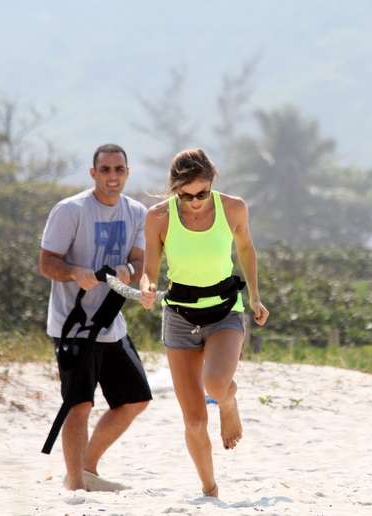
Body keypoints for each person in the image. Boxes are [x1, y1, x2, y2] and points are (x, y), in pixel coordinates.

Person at [139, 148, 269, 498]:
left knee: (215, 385)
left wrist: (255, 296)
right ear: (174, 190)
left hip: (225, 311)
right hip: (179, 316)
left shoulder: (233, 208)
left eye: (201, 193)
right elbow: (150, 269)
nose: (195, 201)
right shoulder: (157, 218)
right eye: (185, 195)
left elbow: (246, 250)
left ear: (212, 183)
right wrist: (147, 287)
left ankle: (228, 402)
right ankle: (210, 489)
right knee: (195, 420)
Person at [39, 143, 151, 491]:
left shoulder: (136, 212)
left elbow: (141, 261)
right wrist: (74, 272)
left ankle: (86, 466)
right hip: (73, 326)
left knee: (135, 400)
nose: (113, 177)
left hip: (111, 323)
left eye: (119, 170)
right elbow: (47, 263)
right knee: (79, 405)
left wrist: (132, 273)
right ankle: (75, 485)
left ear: (127, 173)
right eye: (105, 170)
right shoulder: (70, 210)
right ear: (93, 173)